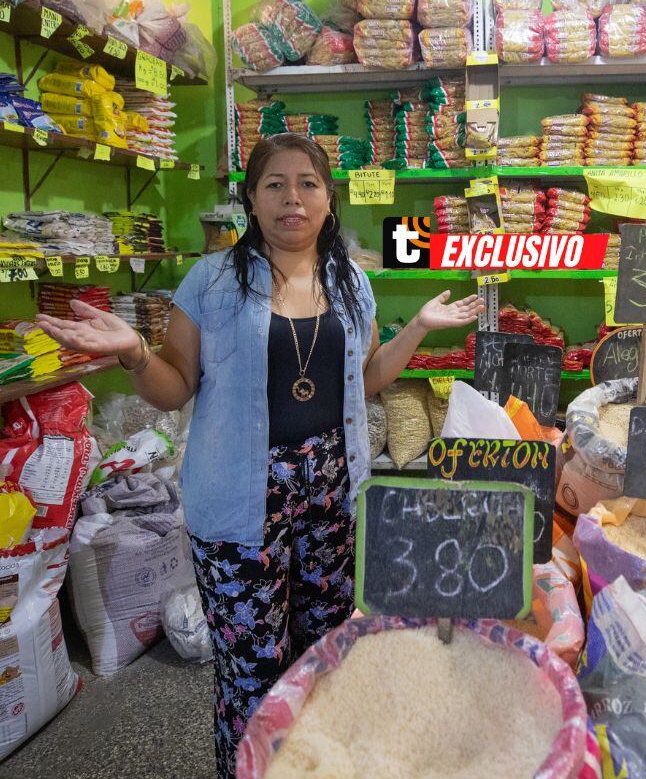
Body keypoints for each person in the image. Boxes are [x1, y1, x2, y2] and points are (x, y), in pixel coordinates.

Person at [36, 132, 485, 778]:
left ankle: (315, 764)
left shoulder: (351, 281)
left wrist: (415, 328)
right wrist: (136, 353)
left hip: (331, 490)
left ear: (329, 199)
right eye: (275, 184)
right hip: (240, 494)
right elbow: (174, 388)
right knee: (252, 667)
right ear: (251, 198)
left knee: (323, 653)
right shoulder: (212, 281)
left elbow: (360, 383)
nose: (292, 198)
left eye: (308, 183)